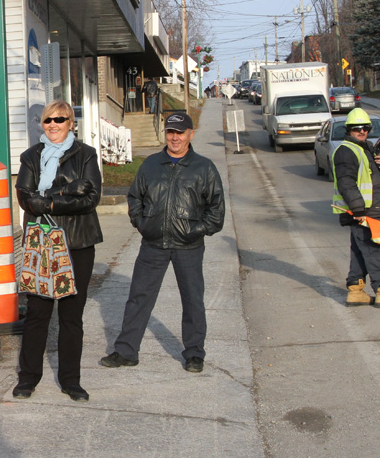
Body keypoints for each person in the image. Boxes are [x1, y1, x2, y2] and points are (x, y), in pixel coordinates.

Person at [100, 111, 224, 374]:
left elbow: (216, 212)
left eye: (180, 132)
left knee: (192, 300)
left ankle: (194, 354)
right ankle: (126, 351)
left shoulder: (204, 168)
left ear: (190, 134)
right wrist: (142, 223)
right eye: (170, 132)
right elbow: (135, 197)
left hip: (188, 247)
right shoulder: (150, 165)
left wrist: (194, 230)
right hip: (153, 245)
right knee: (138, 298)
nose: (175, 137)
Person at [13, 100, 102, 402]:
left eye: (60, 119)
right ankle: (28, 378)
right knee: (37, 312)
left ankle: (71, 380)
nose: (53, 125)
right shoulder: (31, 156)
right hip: (41, 243)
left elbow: (90, 198)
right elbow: (26, 197)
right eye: (48, 120)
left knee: (71, 315)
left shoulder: (86, 154)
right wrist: (66, 190)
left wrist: (49, 201)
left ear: (70, 123)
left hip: (77, 242)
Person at [330, 108, 380, 308]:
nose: (362, 131)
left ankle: (356, 290)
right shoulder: (347, 151)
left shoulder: (365, 149)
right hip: (364, 212)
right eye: (357, 128)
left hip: (369, 210)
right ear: (349, 129)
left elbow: (377, 177)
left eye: (366, 128)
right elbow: (346, 182)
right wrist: (358, 210)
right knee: (373, 250)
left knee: (359, 250)